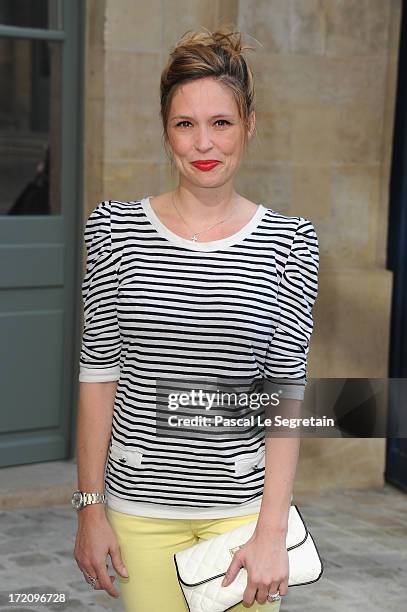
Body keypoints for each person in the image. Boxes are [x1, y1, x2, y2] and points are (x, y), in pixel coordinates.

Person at [73, 25, 319, 612]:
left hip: (242, 525)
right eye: (185, 124)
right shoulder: (114, 232)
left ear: (249, 126)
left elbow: (284, 398)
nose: (203, 143)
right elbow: (97, 377)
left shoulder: (290, 242)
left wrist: (272, 532)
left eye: (221, 123)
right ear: (166, 131)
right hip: (139, 519)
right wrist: (89, 509)